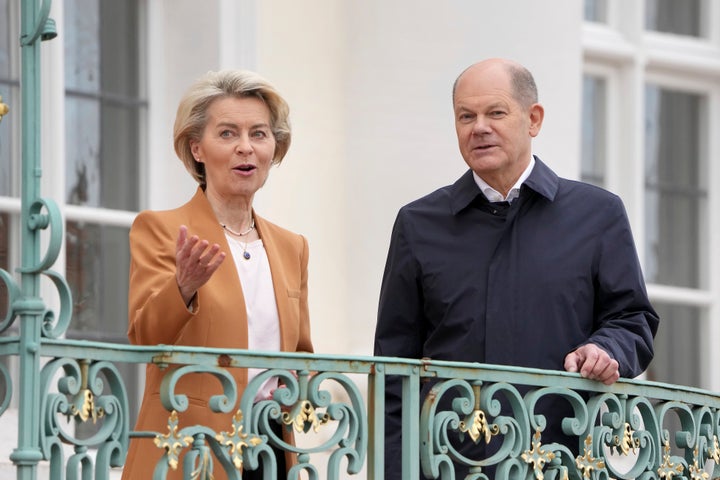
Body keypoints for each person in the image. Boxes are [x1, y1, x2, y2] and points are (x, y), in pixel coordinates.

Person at [373, 58, 659, 478]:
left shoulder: (598, 214)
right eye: (465, 116)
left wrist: (606, 349)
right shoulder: (418, 223)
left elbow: (633, 319)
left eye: (496, 112)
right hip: (450, 466)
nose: (479, 127)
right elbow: (393, 369)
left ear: (534, 119)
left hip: (564, 462)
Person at [122, 69, 313, 480]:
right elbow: (145, 337)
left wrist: (296, 389)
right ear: (197, 149)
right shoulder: (162, 229)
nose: (246, 148)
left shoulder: (291, 245)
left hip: (270, 449)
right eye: (227, 134)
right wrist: (183, 287)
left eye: (259, 134)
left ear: (273, 148)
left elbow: (300, 354)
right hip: (188, 449)